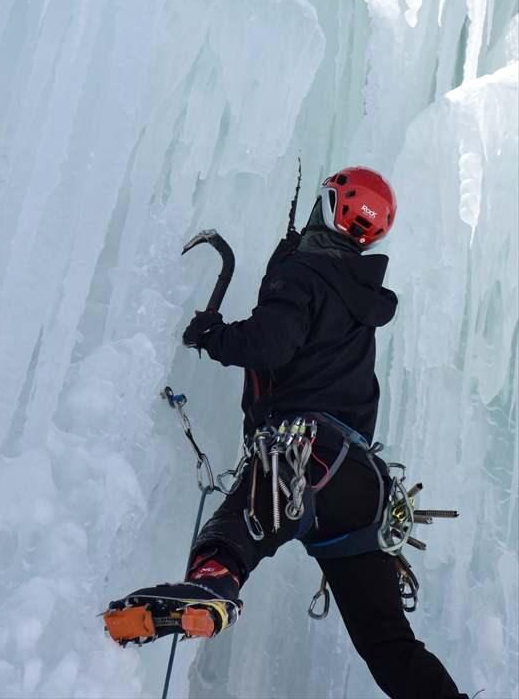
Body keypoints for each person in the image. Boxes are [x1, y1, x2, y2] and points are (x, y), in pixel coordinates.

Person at [104, 168, 468, 699]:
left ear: (330, 205)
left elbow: (272, 343)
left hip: (304, 455)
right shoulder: (358, 298)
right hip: (360, 488)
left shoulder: (304, 273)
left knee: (232, 534)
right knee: (388, 642)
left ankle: (211, 590)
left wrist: (214, 336)